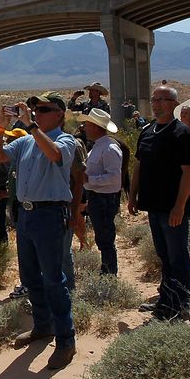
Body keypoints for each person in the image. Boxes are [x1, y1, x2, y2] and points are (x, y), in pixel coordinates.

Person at [0, 91, 80, 370]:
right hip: (26, 215)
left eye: (44, 109)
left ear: (60, 114)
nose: (37, 112)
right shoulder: (26, 141)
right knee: (30, 276)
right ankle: (43, 326)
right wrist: (1, 127)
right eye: (35, 109)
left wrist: (31, 125)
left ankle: (66, 339)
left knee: (54, 278)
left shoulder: (66, 140)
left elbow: (54, 154)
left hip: (50, 213)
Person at [129, 86, 190, 320]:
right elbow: (139, 165)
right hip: (153, 205)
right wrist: (132, 195)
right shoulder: (147, 131)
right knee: (164, 254)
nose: (156, 104)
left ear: (174, 103)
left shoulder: (182, 133)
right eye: (154, 99)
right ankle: (166, 298)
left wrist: (180, 206)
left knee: (178, 255)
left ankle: (182, 302)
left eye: (162, 100)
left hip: (173, 208)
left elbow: (188, 172)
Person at [80, 109, 124, 275]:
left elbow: (114, 177)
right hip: (99, 197)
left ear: (96, 127)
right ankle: (107, 270)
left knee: (105, 239)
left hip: (105, 199)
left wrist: (89, 180)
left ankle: (109, 273)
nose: (84, 127)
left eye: (88, 124)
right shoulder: (100, 146)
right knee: (102, 237)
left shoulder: (109, 148)